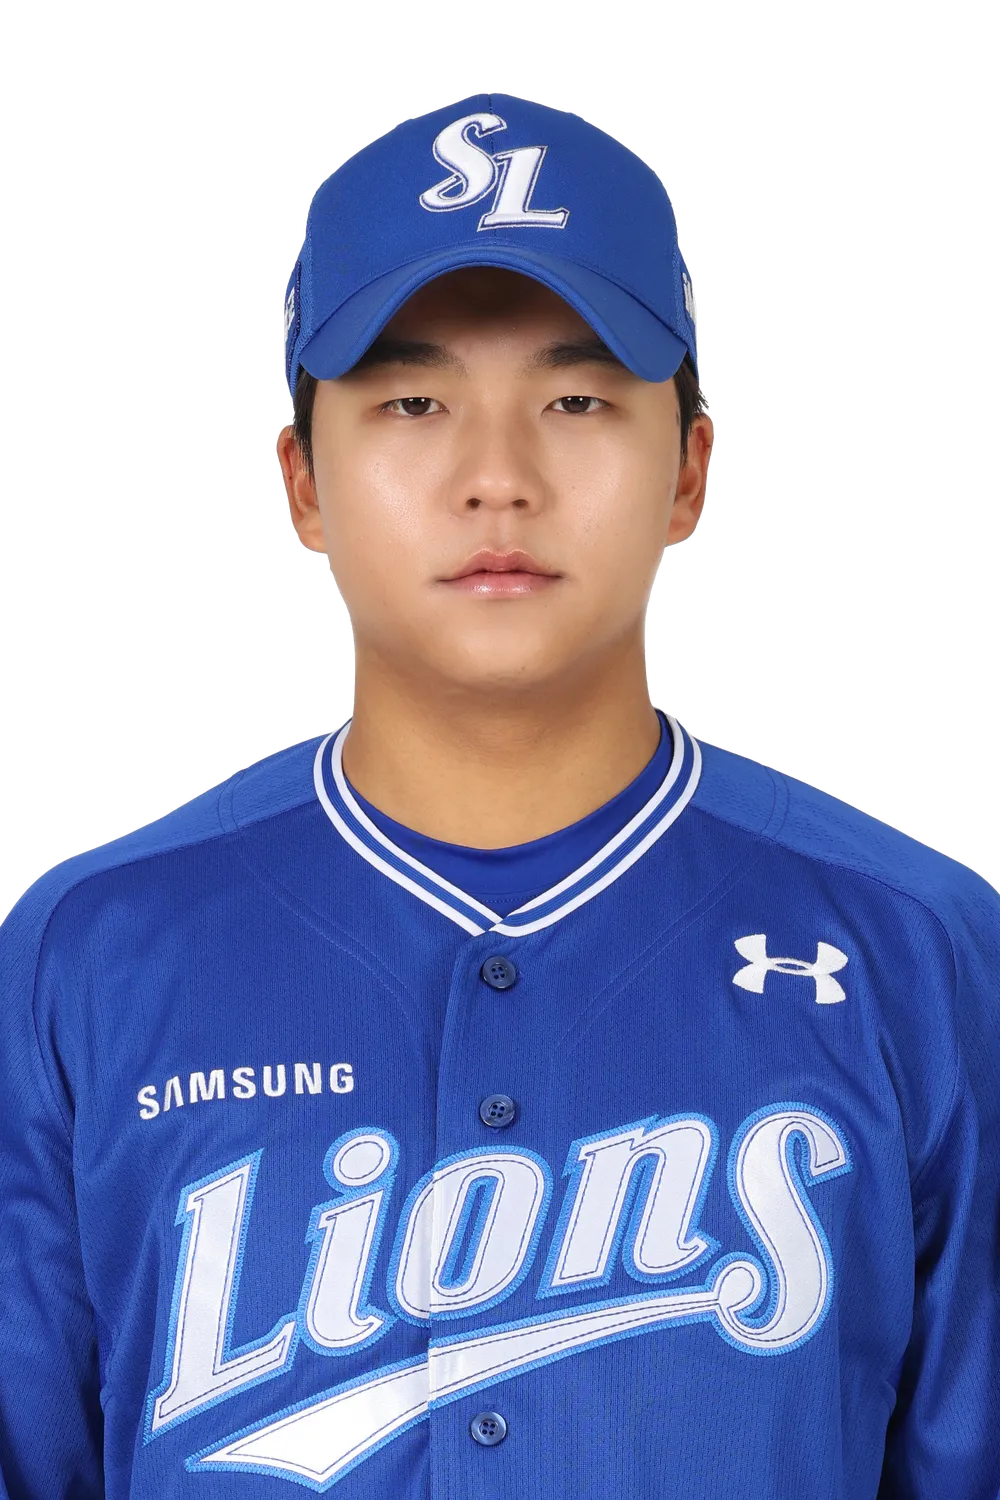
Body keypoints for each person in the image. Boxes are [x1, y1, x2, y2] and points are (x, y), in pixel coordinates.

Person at [1, 91, 997, 1500]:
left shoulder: (921, 944)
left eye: (577, 400)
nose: (497, 480)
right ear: (299, 482)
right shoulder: (85, 954)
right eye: (413, 402)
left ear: (691, 472)